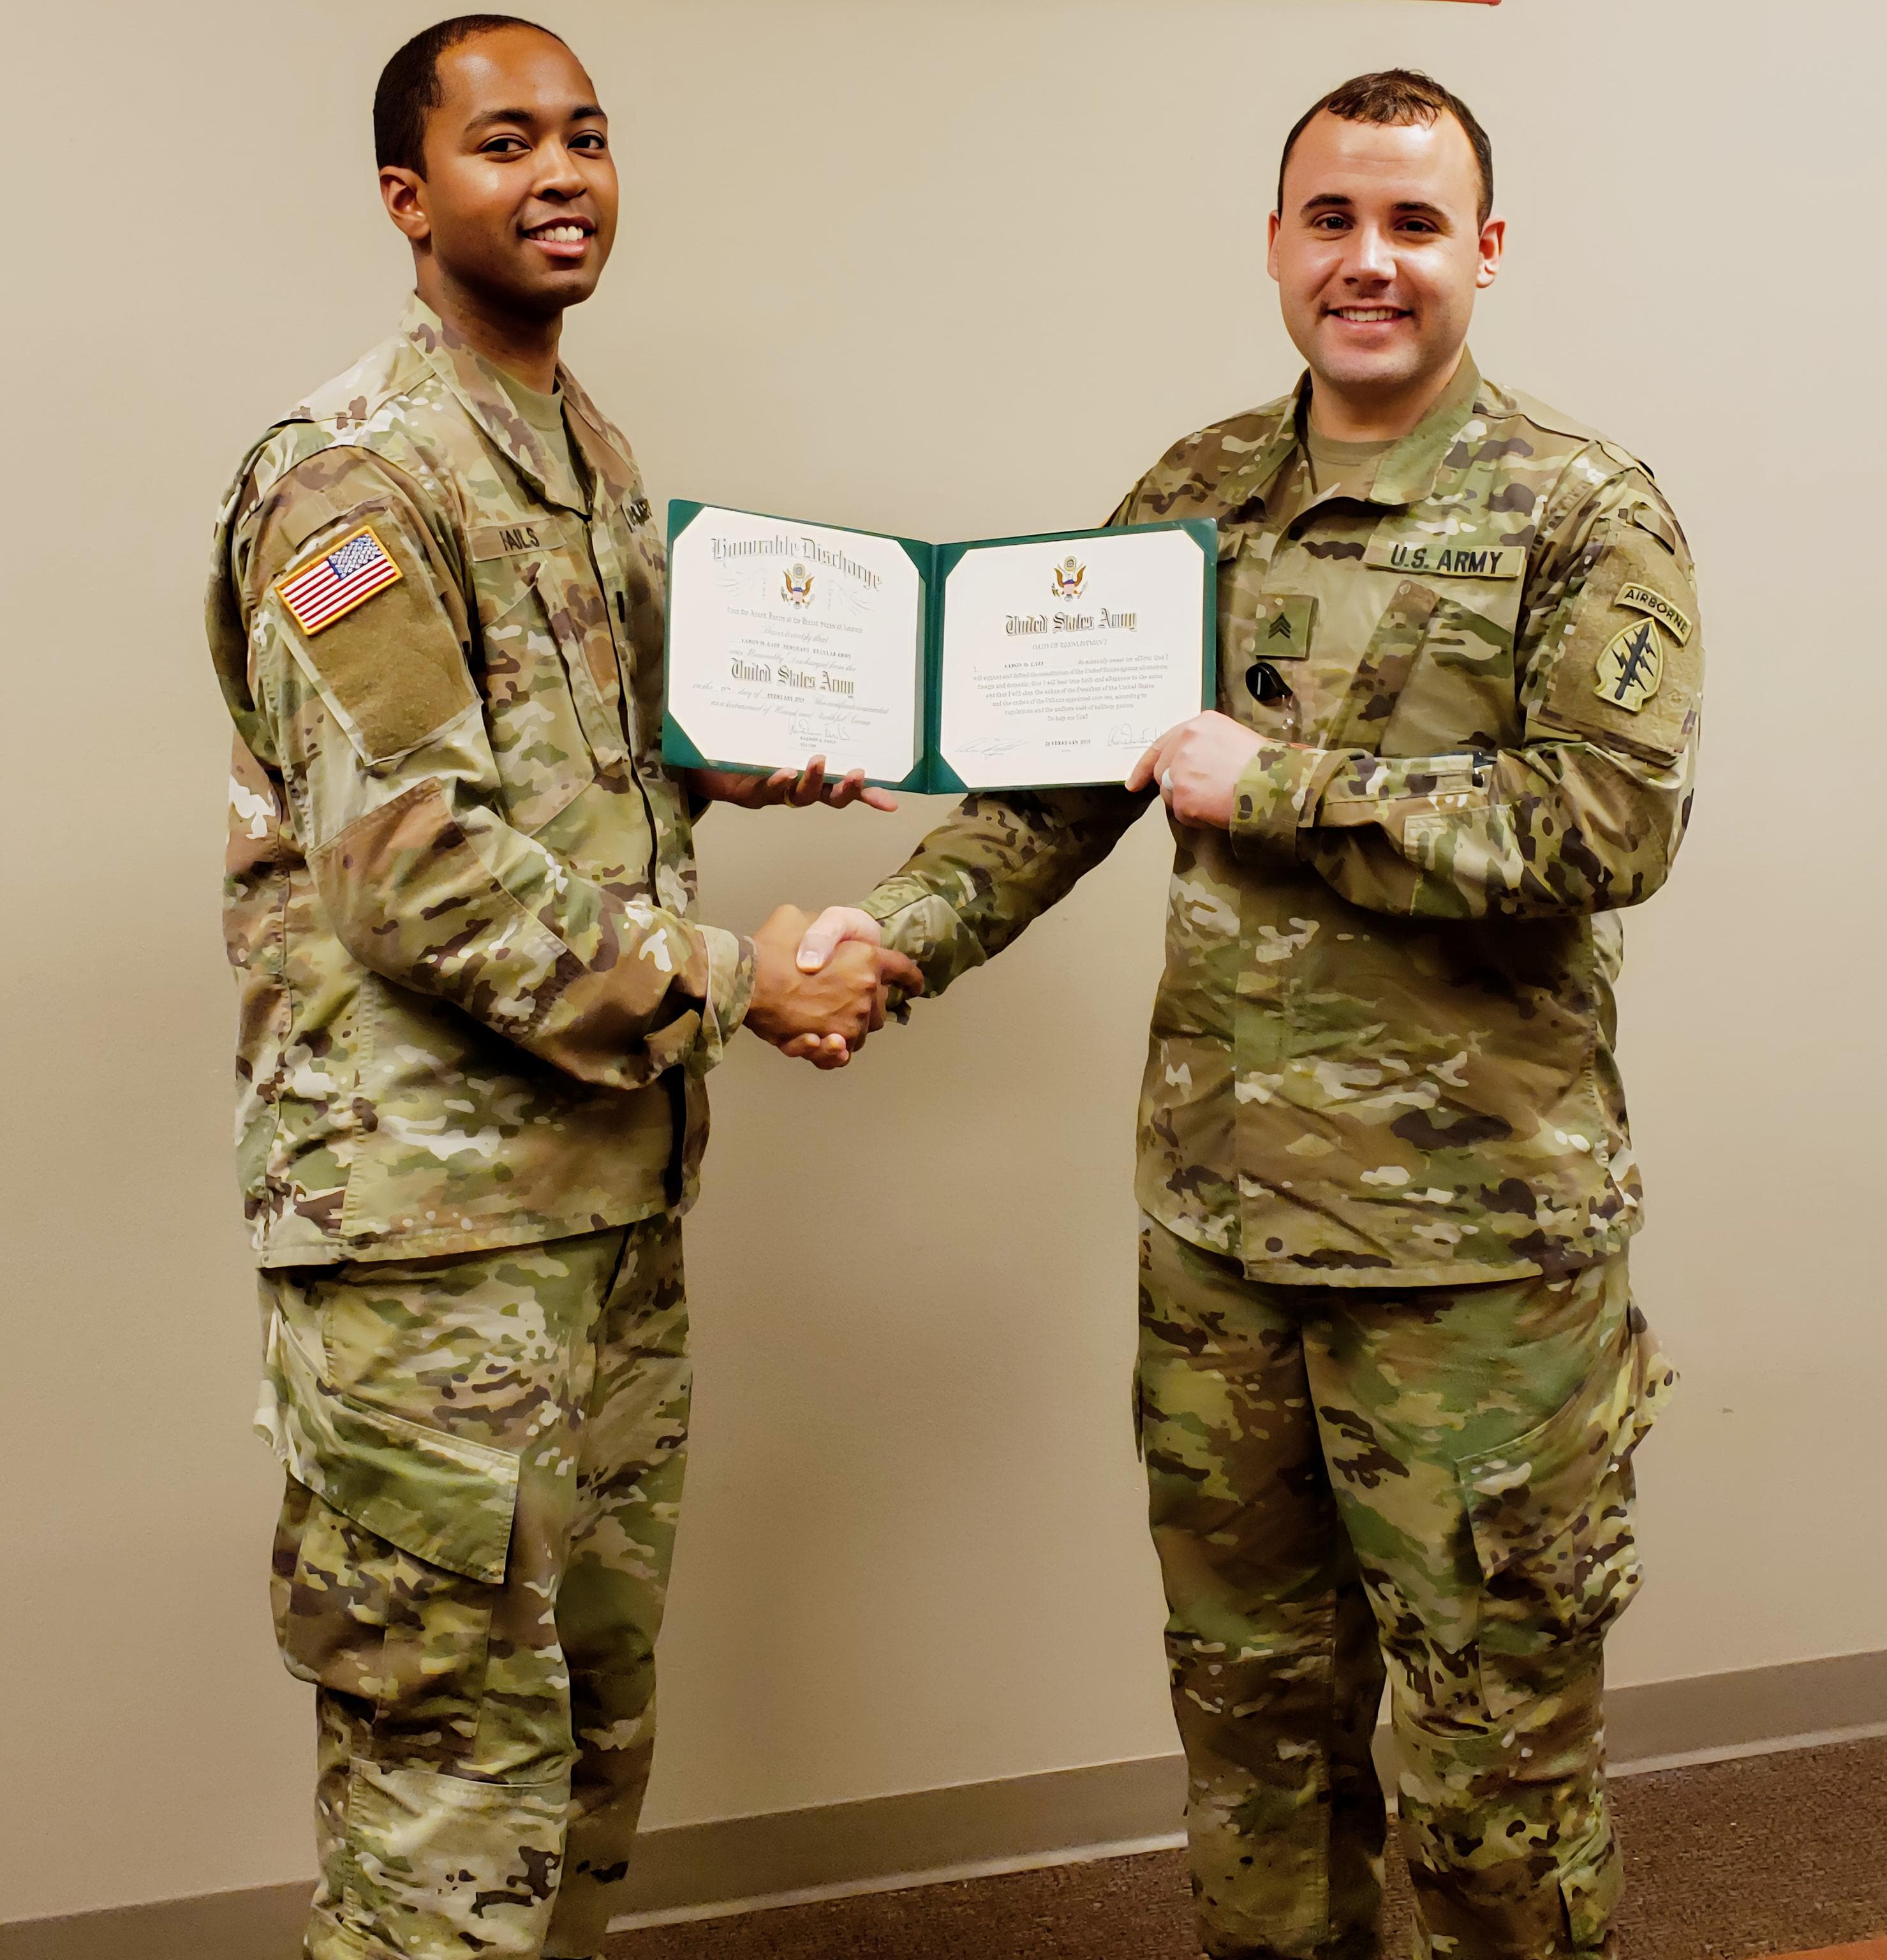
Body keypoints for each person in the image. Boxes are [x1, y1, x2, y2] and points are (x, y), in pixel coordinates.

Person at [793, 68, 1698, 1959]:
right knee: (1255, 1749)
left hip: (1474, 1275)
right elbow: (1057, 791)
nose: (1370, 262)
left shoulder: (1580, 511)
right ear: (1277, 247)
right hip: (1222, 1252)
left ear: (1487, 253)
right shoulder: (1193, 500)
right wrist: (889, 942)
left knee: (1493, 1787)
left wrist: (1279, 786)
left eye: (1415, 224)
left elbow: (1611, 825)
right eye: (1331, 221)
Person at [205, 17, 920, 1957]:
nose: (561, 174)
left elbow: (546, 770)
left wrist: (725, 753)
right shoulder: (353, 480)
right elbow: (409, 866)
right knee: (454, 1775)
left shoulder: (580, 451)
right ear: (406, 197)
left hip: (598, 1218)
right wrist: (736, 982)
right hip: (432, 1252)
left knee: (584, 1758)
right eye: (505, 139)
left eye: (587, 136)